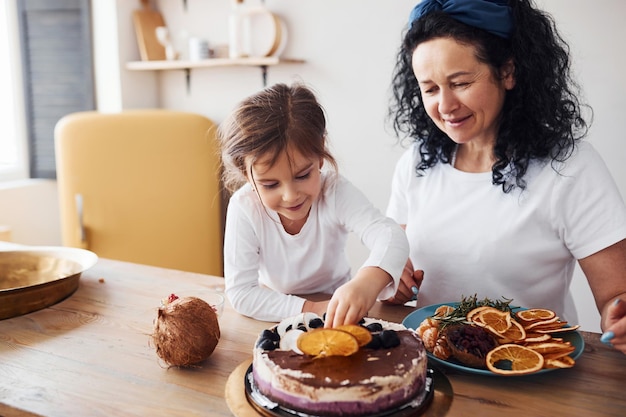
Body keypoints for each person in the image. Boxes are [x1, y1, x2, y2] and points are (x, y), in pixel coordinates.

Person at [385, 0, 626, 354]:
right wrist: (394, 281)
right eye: (431, 89)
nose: (445, 105)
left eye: (461, 82)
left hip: (528, 369)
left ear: (508, 72)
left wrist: (619, 318)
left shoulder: (570, 166)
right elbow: (394, 268)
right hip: (434, 365)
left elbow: (615, 298)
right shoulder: (416, 163)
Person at [218, 82, 409, 327]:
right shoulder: (244, 207)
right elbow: (242, 294)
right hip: (276, 310)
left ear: (320, 154)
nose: (290, 196)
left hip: (337, 307)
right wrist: (312, 309)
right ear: (247, 174)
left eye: (302, 176)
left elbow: (390, 235)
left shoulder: (335, 191)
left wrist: (367, 282)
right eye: (270, 184)